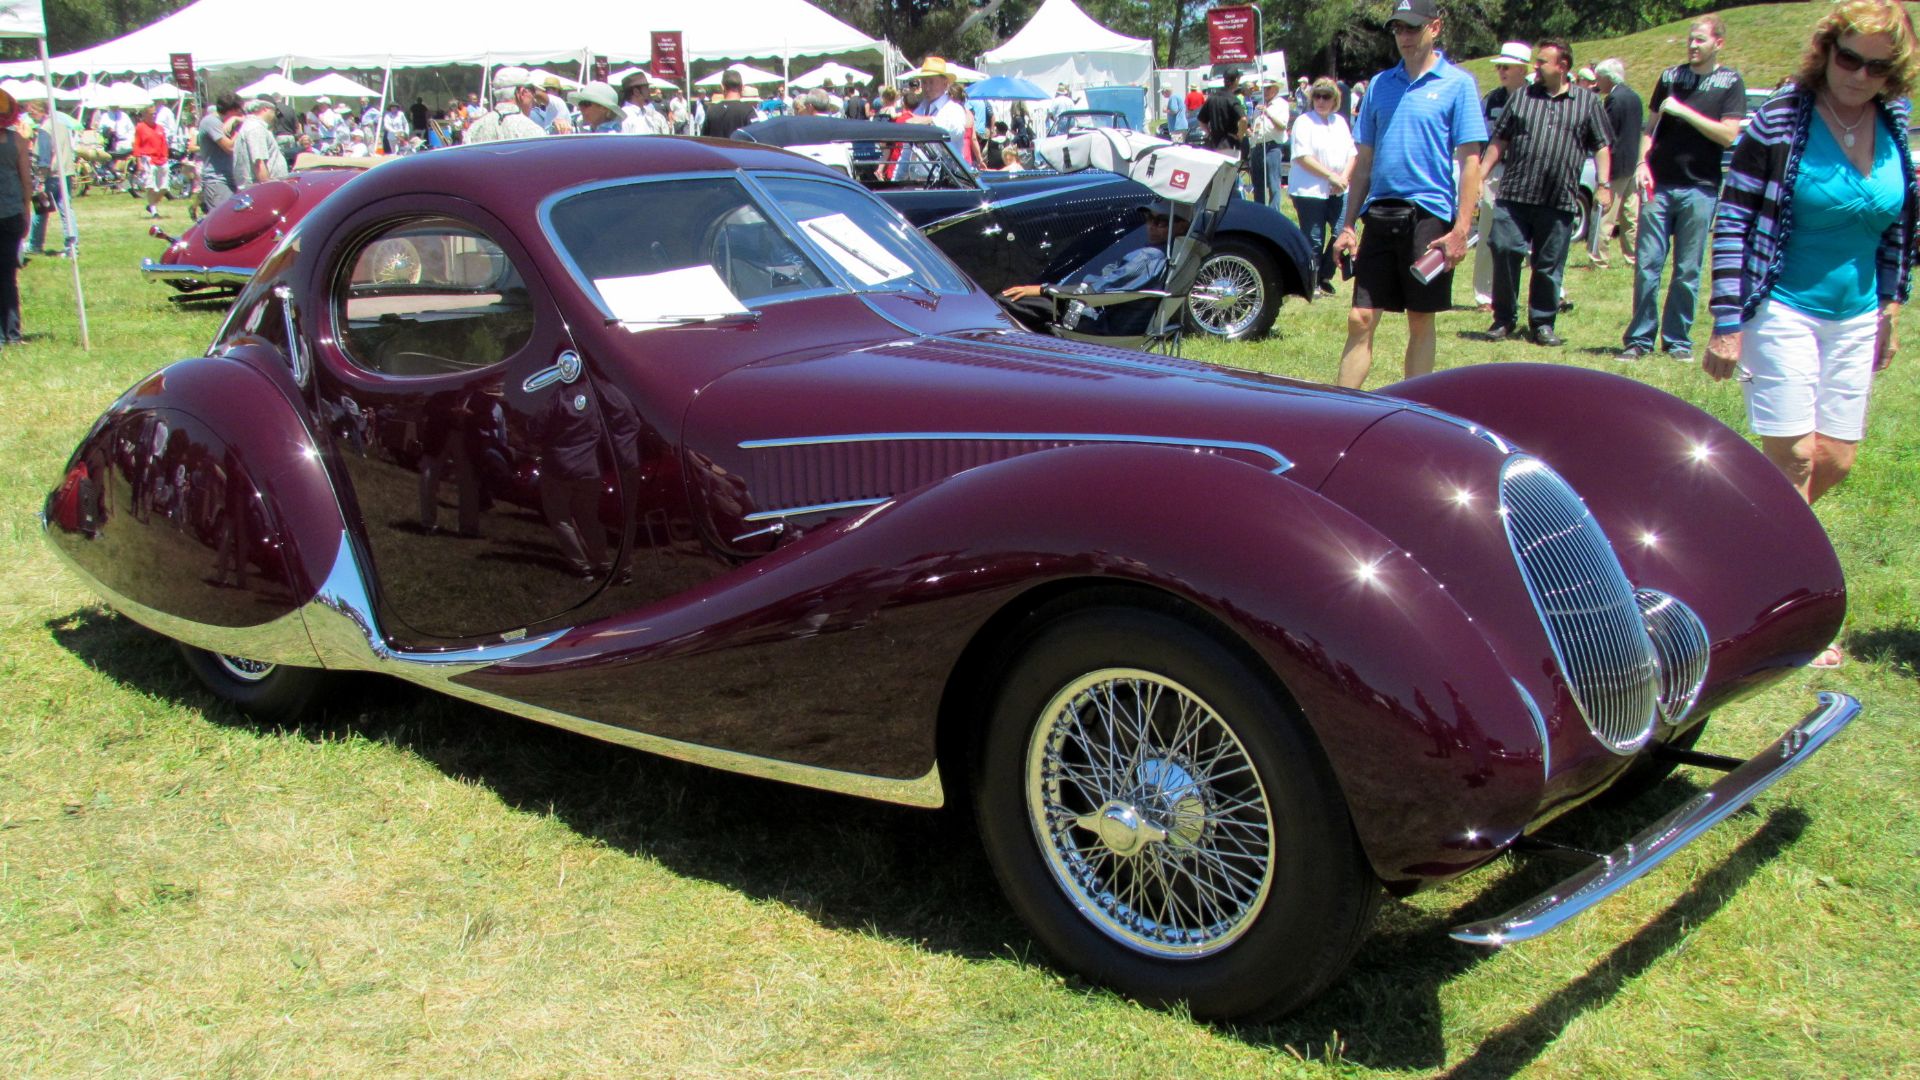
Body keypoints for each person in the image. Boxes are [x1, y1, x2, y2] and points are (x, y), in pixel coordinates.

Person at [1704, 0, 1918, 541]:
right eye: (1850, 59)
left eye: (1879, 68)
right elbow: (1733, 222)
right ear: (1826, 52)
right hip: (1781, 310)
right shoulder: (1780, 119)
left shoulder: (1893, 122)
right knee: (1795, 456)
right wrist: (1727, 321)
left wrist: (1890, 308)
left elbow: (1896, 229)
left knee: (1836, 459)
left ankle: (1742, 539)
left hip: (1857, 316)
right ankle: (1790, 596)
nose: (1861, 76)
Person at [1330, 0, 1485, 388]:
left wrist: (1462, 229)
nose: (1404, 37)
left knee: (1420, 318)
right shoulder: (1380, 85)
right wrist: (1347, 224)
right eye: (1398, 29)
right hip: (1379, 213)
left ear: (1435, 27)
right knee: (1360, 317)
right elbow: (1363, 162)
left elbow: (1470, 163)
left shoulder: (1458, 84)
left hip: (1428, 216)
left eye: (1412, 28)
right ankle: (1339, 410)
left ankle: (1414, 410)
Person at [1615, 15, 1747, 362]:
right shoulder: (1670, 77)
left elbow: (1728, 134)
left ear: (1718, 43)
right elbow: (1650, 128)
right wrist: (1642, 164)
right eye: (1690, 39)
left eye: (1700, 40)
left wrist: (1685, 112)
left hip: (1700, 187)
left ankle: (1677, 340)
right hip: (1659, 184)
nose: (1693, 45)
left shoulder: (1729, 82)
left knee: (1688, 269)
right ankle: (1639, 339)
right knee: (1647, 264)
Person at [1480, 40, 1614, 346]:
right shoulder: (1522, 98)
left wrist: (1604, 185)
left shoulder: (1587, 102)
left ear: (1562, 66)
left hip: (1558, 198)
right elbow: (1500, 139)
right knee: (1504, 249)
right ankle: (1503, 319)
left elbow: (1602, 145)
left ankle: (1542, 323)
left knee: (1549, 263)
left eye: (1542, 62)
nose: (1535, 67)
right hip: (1515, 194)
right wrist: (1482, 174)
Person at [998, 203, 1187, 335]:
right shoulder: (1176, 255)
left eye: (1161, 221)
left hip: (1099, 322)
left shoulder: (1148, 258)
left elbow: (1092, 291)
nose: (1151, 226)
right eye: (1148, 218)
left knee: (1006, 301)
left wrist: (1043, 289)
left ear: (1181, 226)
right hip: (1108, 317)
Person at [1471, 41, 1533, 309]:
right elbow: (1480, 138)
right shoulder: (1493, 99)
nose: (1501, 71)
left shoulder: (1536, 97)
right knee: (1487, 231)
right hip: (1495, 170)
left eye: (1506, 66)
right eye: (1499, 67)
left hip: (1528, 171)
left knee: (1532, 235)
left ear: (1523, 68)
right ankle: (1486, 295)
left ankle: (1547, 293)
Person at [1288, 78, 1356, 295]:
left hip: (1339, 189)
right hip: (1310, 190)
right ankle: (1310, 281)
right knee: (1314, 239)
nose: (1321, 100)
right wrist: (1330, 177)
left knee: (1342, 232)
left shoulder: (1340, 123)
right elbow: (1302, 157)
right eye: (1317, 96)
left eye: (1326, 96)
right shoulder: (1304, 122)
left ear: (1335, 99)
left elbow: (1352, 153)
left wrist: (1343, 177)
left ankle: (1324, 274)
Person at [1588, 58, 1643, 269]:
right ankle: (1633, 257)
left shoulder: (1613, 100)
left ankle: (1598, 259)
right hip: (1632, 162)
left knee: (1605, 214)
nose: (1596, 81)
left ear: (1608, 78)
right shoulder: (1634, 97)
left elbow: (1605, 132)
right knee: (1630, 215)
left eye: (1599, 77)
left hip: (1616, 164)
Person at [26, 100, 77, 258]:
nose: (30, 115)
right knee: (66, 210)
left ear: (40, 111)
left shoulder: (44, 129)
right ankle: (72, 246)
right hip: (66, 172)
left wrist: (40, 180)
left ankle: (35, 244)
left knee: (41, 209)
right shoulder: (61, 125)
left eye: (31, 111)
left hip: (51, 175)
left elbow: (45, 158)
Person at [0, 90, 30, 344]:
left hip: (9, 213)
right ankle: (12, 333)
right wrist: (27, 213)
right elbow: (26, 182)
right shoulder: (18, 141)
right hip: (12, 213)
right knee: (8, 276)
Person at [903, 56, 971, 161]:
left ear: (945, 84)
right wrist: (896, 176)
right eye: (924, 82)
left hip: (947, 175)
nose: (927, 87)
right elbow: (907, 150)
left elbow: (957, 130)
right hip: (919, 175)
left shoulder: (954, 109)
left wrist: (931, 121)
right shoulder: (919, 110)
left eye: (931, 82)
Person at [464, 73, 546, 144]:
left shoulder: (474, 130)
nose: (534, 99)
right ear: (522, 92)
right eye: (533, 92)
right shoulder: (533, 131)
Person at [197, 91, 242, 215]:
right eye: (238, 112)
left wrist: (236, 120)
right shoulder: (211, 122)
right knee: (222, 218)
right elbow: (229, 147)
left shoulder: (230, 122)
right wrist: (238, 132)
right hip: (217, 180)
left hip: (230, 177)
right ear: (230, 110)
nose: (240, 114)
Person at [1247, 81, 1290, 207]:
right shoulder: (1259, 104)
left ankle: (1274, 213)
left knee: (1273, 182)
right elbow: (1256, 124)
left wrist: (1268, 112)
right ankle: (1259, 211)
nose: (1265, 91)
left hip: (1272, 146)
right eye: (1263, 88)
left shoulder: (1281, 104)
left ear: (1276, 89)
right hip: (1258, 146)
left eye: (1268, 88)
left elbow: (1282, 125)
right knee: (1258, 183)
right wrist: (1251, 133)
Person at [231, 98, 287, 189]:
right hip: (261, 189)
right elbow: (259, 163)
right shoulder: (255, 128)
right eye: (274, 111)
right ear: (265, 109)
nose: (275, 116)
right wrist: (269, 189)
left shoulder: (253, 126)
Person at [1196, 69, 1246, 157]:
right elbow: (1243, 119)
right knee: (1229, 171)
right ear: (1237, 80)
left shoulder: (1212, 98)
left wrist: (1209, 134)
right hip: (1230, 144)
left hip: (1214, 145)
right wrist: (1240, 136)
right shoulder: (1233, 99)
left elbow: (1201, 120)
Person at [700, 69, 760, 139]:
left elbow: (703, 139)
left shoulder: (712, 111)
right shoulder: (748, 111)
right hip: (740, 149)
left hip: (716, 149)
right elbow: (757, 137)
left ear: (722, 86)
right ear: (742, 87)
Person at [133, 106, 169, 219]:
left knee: (164, 187)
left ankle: (151, 205)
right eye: (151, 114)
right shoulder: (140, 127)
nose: (154, 116)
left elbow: (164, 143)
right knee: (151, 186)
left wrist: (165, 156)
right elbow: (137, 145)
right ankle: (154, 211)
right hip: (148, 159)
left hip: (161, 159)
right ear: (145, 115)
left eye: (155, 113)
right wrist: (139, 162)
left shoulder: (160, 128)